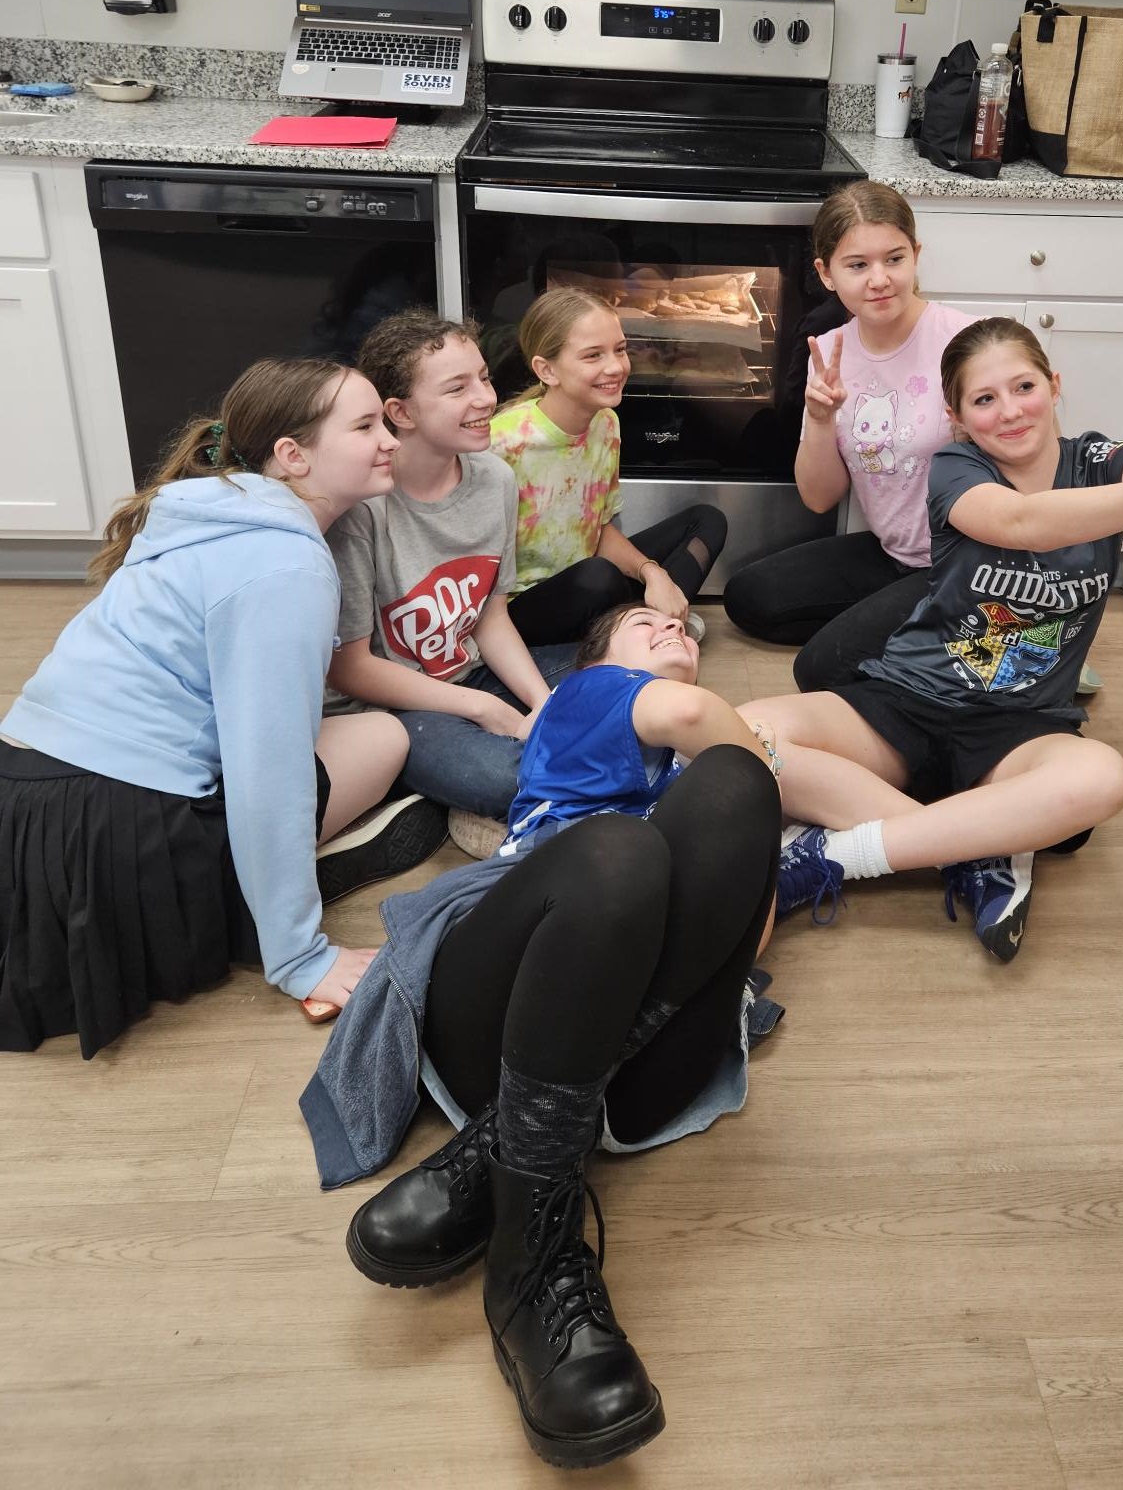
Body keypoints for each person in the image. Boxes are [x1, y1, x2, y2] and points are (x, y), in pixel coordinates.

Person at [301, 601, 782, 1470]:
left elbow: (748, 936)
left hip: (641, 1060)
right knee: (620, 855)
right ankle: (532, 1267)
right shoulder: (589, 696)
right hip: (505, 996)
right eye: (647, 625)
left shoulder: (705, 782)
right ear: (600, 661)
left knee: (738, 791)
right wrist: (761, 750)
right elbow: (684, 715)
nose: (675, 632)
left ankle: (495, 1150)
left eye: (683, 632)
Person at [739, 316, 1123, 958]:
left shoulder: (1102, 461)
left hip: (1019, 725)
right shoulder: (954, 466)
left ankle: (836, 854)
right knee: (744, 733)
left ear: (1054, 386)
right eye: (984, 399)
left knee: (1101, 778)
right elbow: (1020, 521)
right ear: (959, 416)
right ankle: (974, 851)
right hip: (909, 695)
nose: (1010, 412)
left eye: (1024, 387)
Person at [0, 358, 437, 1057]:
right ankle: (265, 896)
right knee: (383, 737)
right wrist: (301, 957)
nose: (389, 438)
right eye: (364, 426)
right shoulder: (285, 567)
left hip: (26, 802)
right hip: (115, 828)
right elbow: (269, 772)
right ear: (293, 457)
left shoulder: (208, 509)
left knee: (337, 730)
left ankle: (262, 878)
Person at [722, 181, 982, 693]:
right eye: (857, 265)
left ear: (916, 256)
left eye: (894, 259)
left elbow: (1040, 459)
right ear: (826, 274)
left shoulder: (967, 342)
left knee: (818, 670)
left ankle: (969, 632)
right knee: (749, 598)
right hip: (896, 556)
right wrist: (819, 418)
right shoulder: (829, 352)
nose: (880, 280)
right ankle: (931, 639)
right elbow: (819, 498)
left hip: (968, 564)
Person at [325, 309, 571, 842]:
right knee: (500, 779)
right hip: (396, 704)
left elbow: (490, 616)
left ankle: (478, 782)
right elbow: (348, 669)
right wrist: (483, 709)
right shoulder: (363, 507)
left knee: (627, 675)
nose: (486, 398)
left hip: (469, 670)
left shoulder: (495, 480)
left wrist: (540, 702)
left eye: (483, 377)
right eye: (457, 388)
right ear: (401, 412)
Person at [490, 288, 727, 646]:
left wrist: (654, 574)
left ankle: (639, 624)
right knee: (598, 577)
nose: (616, 367)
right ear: (547, 370)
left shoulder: (606, 424)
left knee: (707, 520)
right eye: (592, 355)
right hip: (519, 608)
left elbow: (597, 529)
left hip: (586, 574)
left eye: (619, 349)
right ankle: (648, 626)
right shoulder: (503, 445)